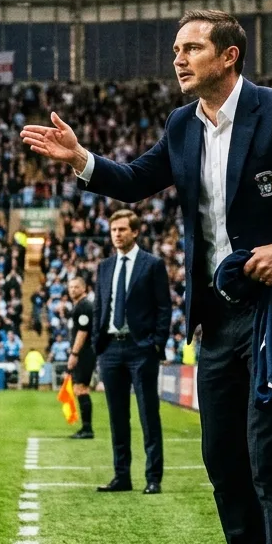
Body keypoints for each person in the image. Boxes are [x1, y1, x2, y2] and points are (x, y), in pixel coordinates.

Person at [22, 9, 272, 544]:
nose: (179, 58)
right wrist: (82, 160)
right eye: (177, 49)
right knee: (222, 461)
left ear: (230, 56)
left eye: (193, 47)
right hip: (218, 316)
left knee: (270, 462)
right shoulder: (182, 125)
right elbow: (138, 179)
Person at [91, 210, 171, 493]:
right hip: (110, 349)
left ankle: (153, 478)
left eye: (123, 229)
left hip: (141, 349)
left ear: (135, 232)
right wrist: (96, 346)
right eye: (114, 230)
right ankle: (121, 475)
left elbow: (164, 308)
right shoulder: (104, 267)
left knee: (148, 414)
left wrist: (156, 344)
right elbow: (101, 307)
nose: (117, 234)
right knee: (117, 416)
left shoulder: (152, 265)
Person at [66, 274, 96, 440]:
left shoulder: (84, 306)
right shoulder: (78, 306)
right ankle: (85, 428)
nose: (72, 290)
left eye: (76, 287)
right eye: (70, 287)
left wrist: (74, 354)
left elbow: (82, 332)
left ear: (84, 288)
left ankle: (87, 429)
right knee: (79, 388)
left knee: (81, 388)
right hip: (82, 353)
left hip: (84, 353)